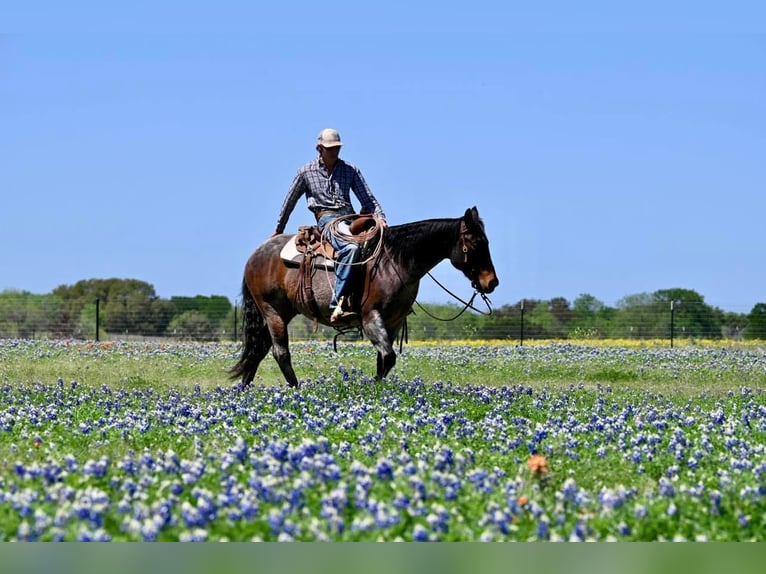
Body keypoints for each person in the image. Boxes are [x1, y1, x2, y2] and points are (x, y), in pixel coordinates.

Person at [273, 128, 387, 323]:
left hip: (350, 218)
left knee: (382, 248)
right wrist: (279, 229)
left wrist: (381, 218)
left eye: (337, 148)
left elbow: (368, 198)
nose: (335, 151)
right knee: (350, 248)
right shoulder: (305, 172)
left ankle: (384, 302)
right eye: (330, 148)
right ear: (319, 149)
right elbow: (289, 202)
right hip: (327, 220)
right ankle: (338, 303)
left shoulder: (350, 170)